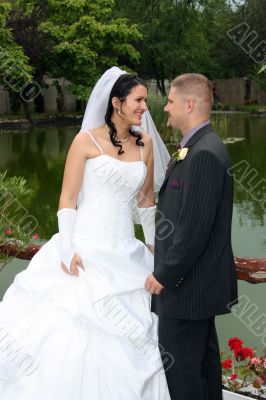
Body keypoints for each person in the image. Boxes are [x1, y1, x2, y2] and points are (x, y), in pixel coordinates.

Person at [0, 67, 171, 399]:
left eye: (146, 101)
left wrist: (153, 245)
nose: (144, 108)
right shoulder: (85, 140)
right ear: (117, 103)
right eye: (138, 100)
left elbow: (146, 200)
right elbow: (67, 199)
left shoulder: (146, 143)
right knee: (72, 332)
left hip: (126, 253)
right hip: (85, 251)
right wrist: (66, 247)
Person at [145, 73, 238, 400]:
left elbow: (194, 231)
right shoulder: (198, 148)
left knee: (184, 378)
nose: (165, 108)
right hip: (194, 290)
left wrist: (164, 274)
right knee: (202, 370)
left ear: (189, 104)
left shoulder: (204, 155)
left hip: (184, 291)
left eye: (170, 101)